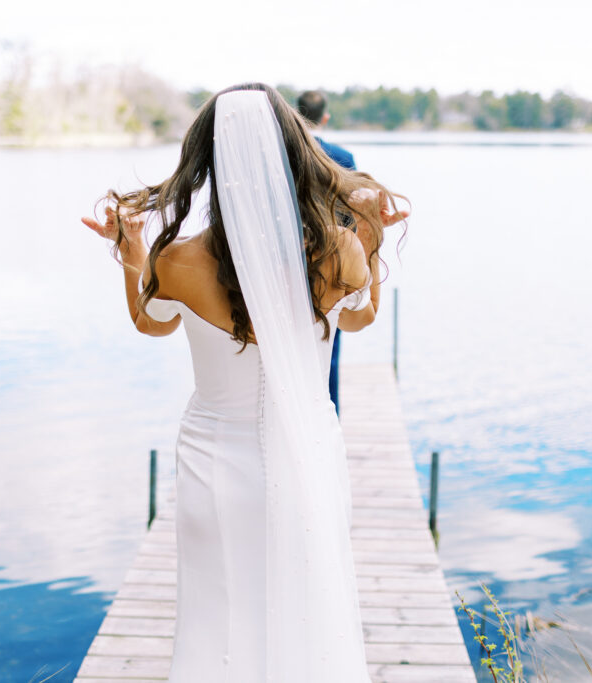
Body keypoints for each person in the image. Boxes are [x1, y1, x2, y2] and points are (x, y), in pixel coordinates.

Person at [82, 83, 407, 682]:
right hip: (305, 449)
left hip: (213, 458)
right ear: (294, 150)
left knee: (217, 613)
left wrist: (131, 252)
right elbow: (360, 317)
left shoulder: (173, 259)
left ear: (205, 162)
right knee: (309, 599)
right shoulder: (337, 250)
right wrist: (369, 238)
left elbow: (148, 324)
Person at [297, 90, 356, 415]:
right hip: (331, 262)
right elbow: (350, 216)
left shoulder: (283, 155)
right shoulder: (342, 157)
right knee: (329, 346)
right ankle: (328, 417)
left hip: (287, 260)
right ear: (325, 117)